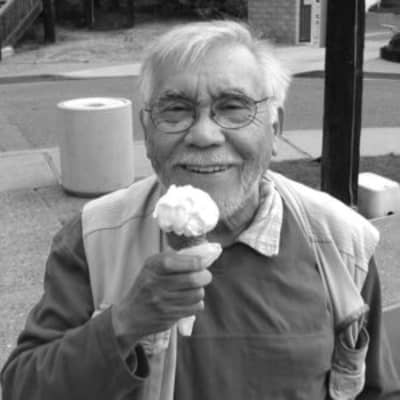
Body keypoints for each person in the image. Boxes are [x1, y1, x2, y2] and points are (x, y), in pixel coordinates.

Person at [1, 20, 399, 400]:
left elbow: (378, 390)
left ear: (275, 129)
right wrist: (124, 323)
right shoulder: (93, 238)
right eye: (175, 109)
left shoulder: (340, 241)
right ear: (147, 131)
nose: (204, 135)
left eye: (233, 107)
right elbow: (22, 389)